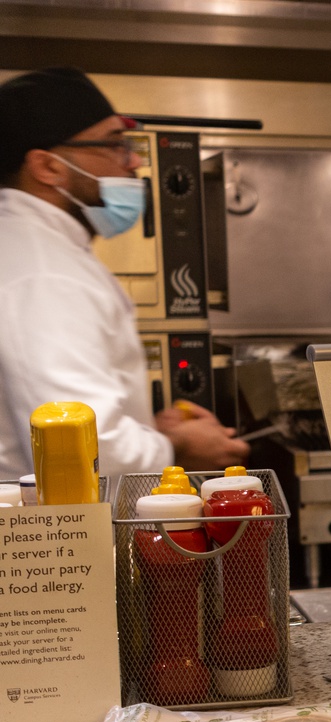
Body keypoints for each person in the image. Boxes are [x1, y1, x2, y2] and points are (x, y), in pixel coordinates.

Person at [0, 67, 248, 484]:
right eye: (115, 145)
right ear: (48, 167)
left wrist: (151, 429)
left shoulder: (39, 249)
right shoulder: (45, 273)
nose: (133, 162)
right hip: (53, 541)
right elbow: (79, 446)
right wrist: (179, 448)